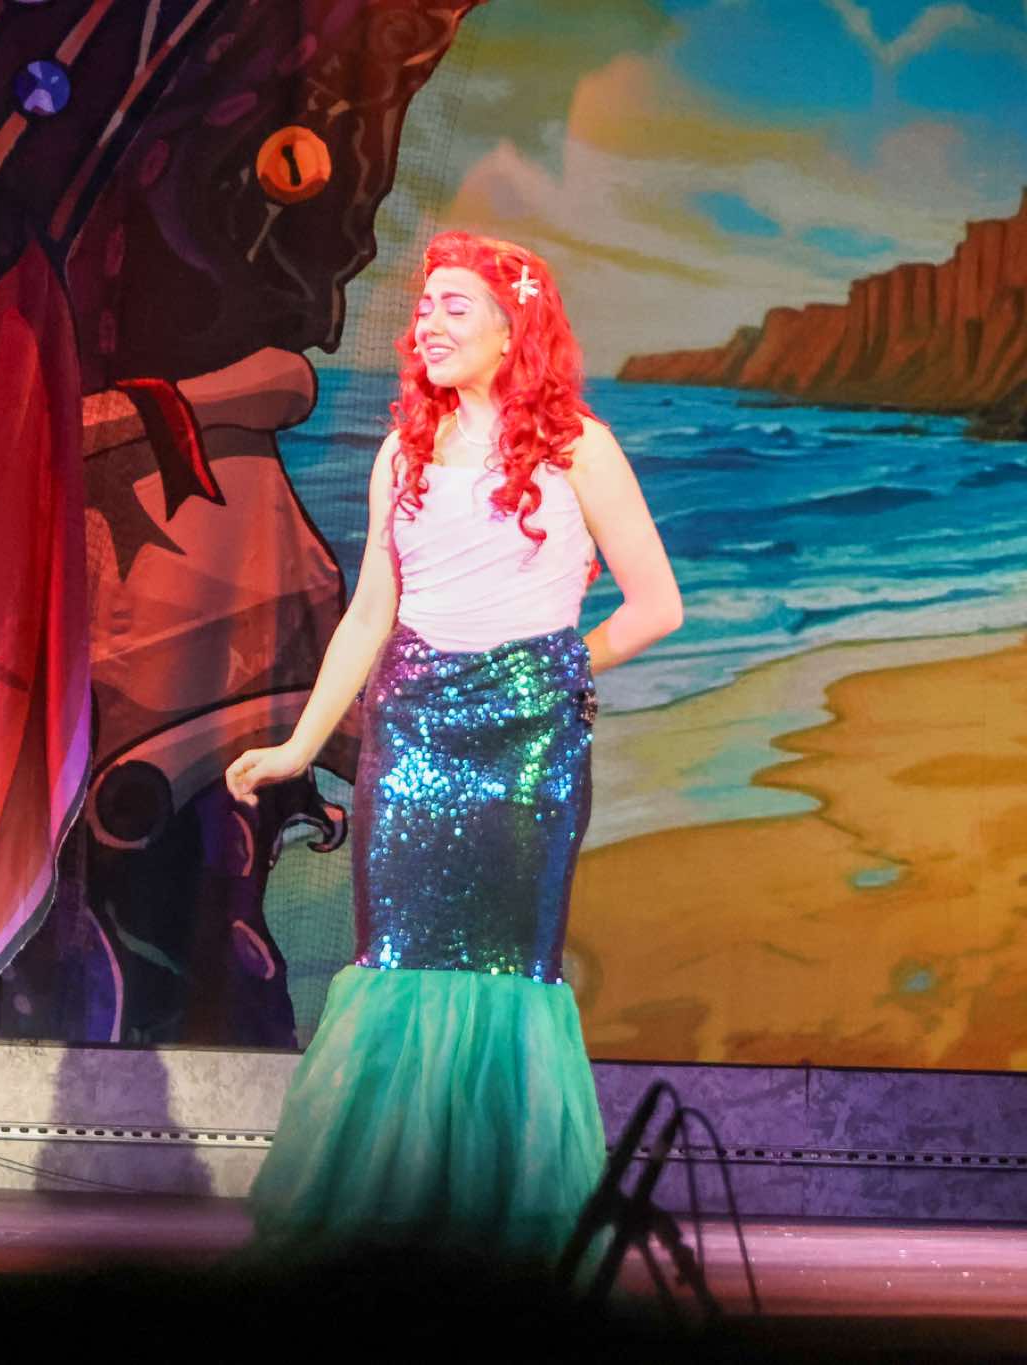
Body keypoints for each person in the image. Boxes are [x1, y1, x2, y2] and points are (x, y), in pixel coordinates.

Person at [226, 231, 682, 1258]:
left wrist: (552, 674)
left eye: (453, 305)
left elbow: (656, 605)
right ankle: (382, 1223)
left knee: (507, 971)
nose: (426, 323)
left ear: (514, 326)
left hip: (527, 751)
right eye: (423, 305)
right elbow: (367, 616)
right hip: (413, 741)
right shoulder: (404, 453)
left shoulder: (578, 448)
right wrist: (299, 746)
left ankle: (499, 1231)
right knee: (397, 960)